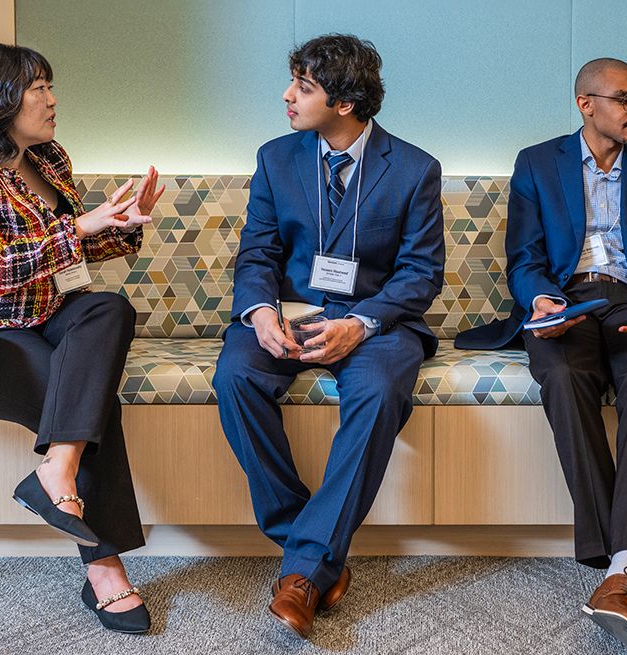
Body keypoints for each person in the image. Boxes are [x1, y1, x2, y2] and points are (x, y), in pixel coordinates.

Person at [0, 43, 165, 633]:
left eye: (50, 86)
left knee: (106, 309)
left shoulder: (46, 158)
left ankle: (56, 470)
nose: (52, 100)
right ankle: (105, 572)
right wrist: (79, 228)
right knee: (87, 397)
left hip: (43, 313)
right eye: (38, 88)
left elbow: (59, 257)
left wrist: (120, 229)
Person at [211, 34, 445, 639]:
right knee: (235, 375)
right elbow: (258, 251)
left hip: (377, 321)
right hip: (287, 311)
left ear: (344, 103)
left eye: (304, 87)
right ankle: (310, 554)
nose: (287, 96)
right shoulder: (276, 157)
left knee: (379, 392)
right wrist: (259, 312)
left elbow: (421, 273)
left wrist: (359, 322)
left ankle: (302, 572)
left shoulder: (415, 169)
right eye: (293, 82)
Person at [456, 58, 627, 653]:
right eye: (624, 99)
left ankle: (620, 572)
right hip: (566, 299)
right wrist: (540, 301)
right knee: (560, 373)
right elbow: (525, 257)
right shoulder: (538, 163)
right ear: (586, 104)